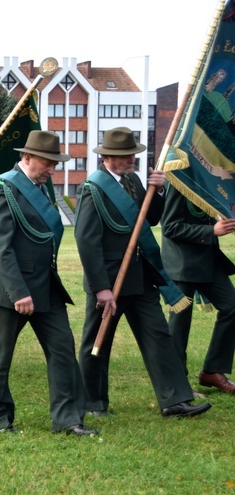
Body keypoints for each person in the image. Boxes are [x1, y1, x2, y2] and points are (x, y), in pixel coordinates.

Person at [74, 126, 211, 418]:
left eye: (132, 155)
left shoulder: (134, 181)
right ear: (108, 157)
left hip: (140, 277)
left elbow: (150, 217)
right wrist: (101, 287)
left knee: (159, 336)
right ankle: (93, 403)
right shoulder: (92, 188)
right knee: (98, 342)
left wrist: (158, 190)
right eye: (125, 156)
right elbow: (86, 242)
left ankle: (175, 400)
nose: (131, 160)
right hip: (110, 282)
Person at [0, 131, 94, 435]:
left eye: (54, 163)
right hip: (10, 290)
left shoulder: (42, 188)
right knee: (0, 357)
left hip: (46, 285)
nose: (52, 169)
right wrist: (19, 292)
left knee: (62, 351)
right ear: (26, 158)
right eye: (47, 162)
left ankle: (68, 419)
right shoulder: (3, 188)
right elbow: (0, 247)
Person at [161, 183, 235, 394]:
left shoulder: (205, 180)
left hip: (208, 260)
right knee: (180, 323)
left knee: (231, 306)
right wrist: (211, 230)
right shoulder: (178, 181)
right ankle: (178, 382)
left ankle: (212, 372)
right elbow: (170, 227)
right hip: (181, 264)